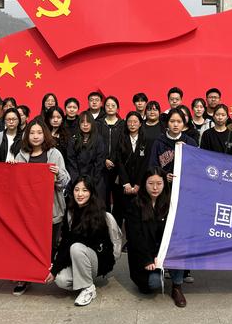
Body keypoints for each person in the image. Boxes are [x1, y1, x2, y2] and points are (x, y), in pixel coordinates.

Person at [14, 118, 70, 296]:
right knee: (26, 245)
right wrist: (12, 168)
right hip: (27, 211)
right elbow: (15, 183)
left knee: (50, 245)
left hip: (51, 209)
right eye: (32, 133)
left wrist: (58, 173)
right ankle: (24, 277)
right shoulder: (21, 155)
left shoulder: (54, 154)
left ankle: (50, 274)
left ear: (45, 135)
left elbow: (65, 182)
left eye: (39, 133)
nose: (36, 136)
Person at [45, 176, 116, 307]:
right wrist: (55, 267)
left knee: (76, 247)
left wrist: (56, 267)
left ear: (91, 192)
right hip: (77, 257)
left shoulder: (97, 212)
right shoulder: (71, 211)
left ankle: (88, 288)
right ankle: (83, 281)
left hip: (97, 260)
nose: (80, 194)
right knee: (61, 280)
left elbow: (75, 241)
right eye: (76, 190)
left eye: (84, 190)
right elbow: (65, 241)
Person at [125, 167, 187, 307]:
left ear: (164, 183)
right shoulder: (135, 204)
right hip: (145, 253)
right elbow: (135, 237)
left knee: (180, 246)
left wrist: (163, 254)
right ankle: (159, 272)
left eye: (159, 183)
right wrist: (147, 259)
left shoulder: (171, 203)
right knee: (153, 285)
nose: (155, 188)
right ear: (144, 183)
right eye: (151, 183)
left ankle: (177, 287)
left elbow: (177, 232)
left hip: (165, 250)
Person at [115, 111, 147, 230]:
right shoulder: (121, 139)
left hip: (140, 183)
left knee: (138, 213)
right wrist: (126, 183)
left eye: (135, 122)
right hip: (124, 183)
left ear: (140, 124)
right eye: (129, 122)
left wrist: (138, 184)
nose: (132, 124)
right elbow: (119, 162)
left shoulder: (146, 140)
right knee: (121, 211)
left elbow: (145, 164)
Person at [149, 108, 198, 183]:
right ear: (167, 123)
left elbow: (196, 166)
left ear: (184, 123)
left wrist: (187, 150)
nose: (175, 125)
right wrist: (163, 176)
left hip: (185, 184)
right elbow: (153, 166)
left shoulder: (190, 142)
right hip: (163, 185)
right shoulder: (158, 142)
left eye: (179, 121)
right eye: (172, 121)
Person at [67, 111, 106, 203]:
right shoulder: (73, 139)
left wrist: (91, 181)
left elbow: (100, 162)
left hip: (95, 179)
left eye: (88, 122)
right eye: (82, 122)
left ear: (92, 123)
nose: (85, 125)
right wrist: (78, 180)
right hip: (77, 179)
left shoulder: (98, 139)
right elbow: (71, 161)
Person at [97, 96, 125, 207]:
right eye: (107, 105)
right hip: (102, 166)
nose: (110, 107)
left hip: (118, 166)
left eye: (113, 105)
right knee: (103, 197)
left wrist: (113, 160)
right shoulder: (98, 124)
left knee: (118, 197)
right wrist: (104, 160)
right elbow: (96, 144)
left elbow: (122, 145)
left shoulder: (123, 124)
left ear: (118, 108)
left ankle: (117, 218)